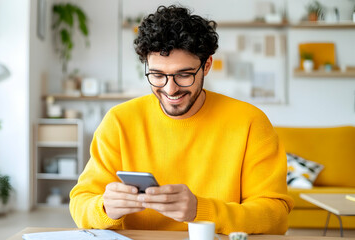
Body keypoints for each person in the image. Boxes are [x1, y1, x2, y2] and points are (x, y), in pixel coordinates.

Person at [70, 5, 293, 234]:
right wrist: (105, 208)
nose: (170, 89)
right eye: (157, 75)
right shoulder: (119, 122)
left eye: (184, 75)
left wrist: (201, 210)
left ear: (206, 65)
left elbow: (275, 215)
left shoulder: (250, 122)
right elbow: (80, 202)